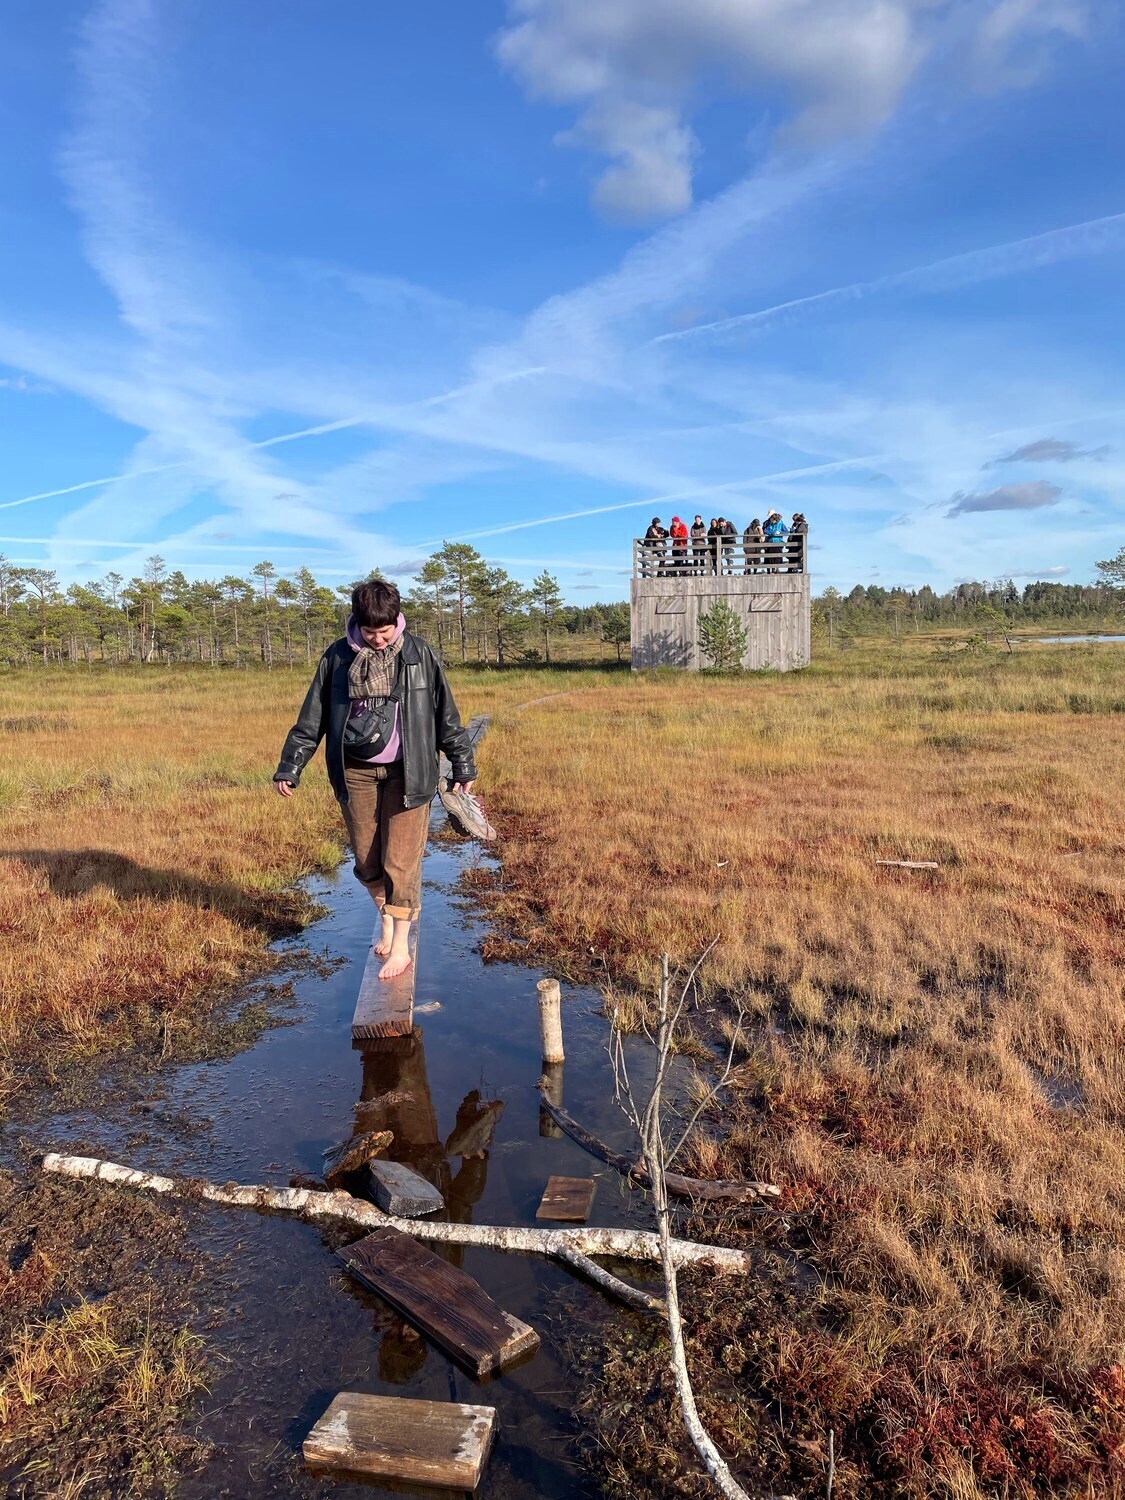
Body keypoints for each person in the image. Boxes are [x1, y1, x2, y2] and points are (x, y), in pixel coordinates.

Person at [274, 578, 476, 981]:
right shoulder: (337, 657)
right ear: (357, 623)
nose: (379, 640)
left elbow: (445, 715)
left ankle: (401, 946)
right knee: (367, 861)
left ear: (397, 620)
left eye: (385, 631)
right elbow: (311, 717)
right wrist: (291, 765)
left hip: (411, 772)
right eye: (370, 632)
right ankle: (385, 917)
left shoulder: (420, 655)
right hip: (356, 773)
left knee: (400, 862)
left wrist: (462, 764)